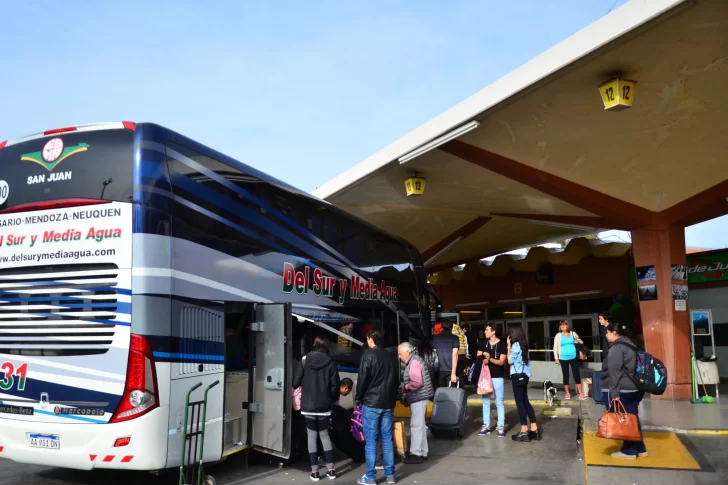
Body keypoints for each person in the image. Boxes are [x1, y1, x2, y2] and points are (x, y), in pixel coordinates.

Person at [292, 337, 340, 481]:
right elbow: (335, 386)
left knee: (312, 436)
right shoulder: (331, 361)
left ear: (313, 345)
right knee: (324, 435)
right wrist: (331, 399)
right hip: (325, 405)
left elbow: (295, 382)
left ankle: (314, 472)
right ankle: (331, 469)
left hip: (308, 405)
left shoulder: (305, 360)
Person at [356, 328, 399, 485]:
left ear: (370, 339)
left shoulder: (368, 355)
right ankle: (391, 475)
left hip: (371, 403)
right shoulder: (391, 356)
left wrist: (358, 398)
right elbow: (396, 379)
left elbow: (362, 380)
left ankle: (370, 476)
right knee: (387, 439)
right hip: (388, 403)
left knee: (371, 441)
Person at [602, 322, 647, 459]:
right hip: (634, 388)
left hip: (623, 390)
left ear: (615, 333)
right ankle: (640, 448)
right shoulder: (632, 344)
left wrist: (614, 394)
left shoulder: (617, 348)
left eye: (608, 332)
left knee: (625, 419)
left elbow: (614, 372)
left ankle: (629, 451)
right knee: (632, 417)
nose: (606, 335)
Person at [397, 342, 434, 464]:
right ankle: (423, 451)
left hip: (418, 397)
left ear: (407, 352)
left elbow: (417, 382)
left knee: (416, 425)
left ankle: (416, 453)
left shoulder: (413, 362)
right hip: (421, 397)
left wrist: (405, 387)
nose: (399, 356)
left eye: (400, 353)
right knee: (420, 425)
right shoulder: (415, 360)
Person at [507, 327, 540, 442]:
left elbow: (509, 361)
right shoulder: (524, 346)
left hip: (517, 376)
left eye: (510, 335)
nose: (509, 337)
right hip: (525, 376)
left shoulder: (515, 346)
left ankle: (524, 430)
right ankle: (534, 429)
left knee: (520, 403)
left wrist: (508, 347)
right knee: (525, 401)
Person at [477, 324, 508, 437]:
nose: (485, 332)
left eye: (487, 330)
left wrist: (489, 359)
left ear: (493, 332)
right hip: (485, 377)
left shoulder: (502, 345)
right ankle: (486, 425)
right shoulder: (482, 344)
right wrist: (482, 358)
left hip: (497, 377)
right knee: (485, 402)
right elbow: (478, 358)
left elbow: (501, 362)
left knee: (499, 402)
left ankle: (500, 426)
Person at [552, 320, 587, 400]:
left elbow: (581, 342)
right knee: (566, 375)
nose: (563, 326)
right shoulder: (558, 335)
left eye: (564, 325)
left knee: (576, 374)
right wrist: (556, 358)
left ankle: (580, 393)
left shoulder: (573, 333)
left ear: (568, 326)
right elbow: (555, 347)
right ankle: (567, 393)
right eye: (561, 325)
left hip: (574, 357)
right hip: (563, 358)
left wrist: (577, 341)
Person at [432, 320, 460, 387]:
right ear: (452, 327)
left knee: (440, 392)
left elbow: (434, 353)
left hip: (438, 370)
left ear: (442, 327)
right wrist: (453, 373)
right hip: (450, 369)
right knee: (450, 393)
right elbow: (455, 355)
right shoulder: (455, 338)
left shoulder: (435, 338)